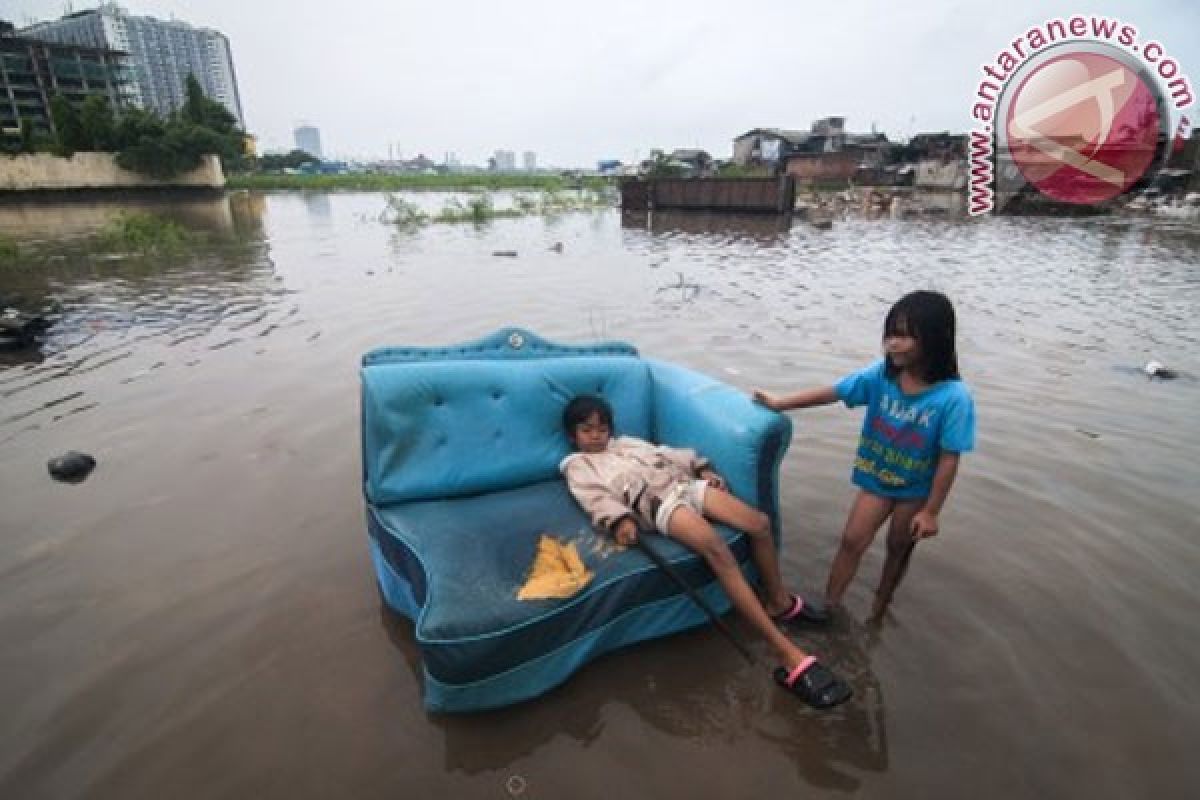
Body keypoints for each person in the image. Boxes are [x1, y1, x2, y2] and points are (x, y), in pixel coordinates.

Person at [559, 394, 852, 709]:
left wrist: (702, 468)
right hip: (658, 503)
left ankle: (778, 601)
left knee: (760, 524)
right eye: (587, 430)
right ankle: (787, 654)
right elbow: (594, 498)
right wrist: (619, 520)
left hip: (684, 485)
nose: (596, 436)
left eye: (602, 428)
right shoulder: (578, 465)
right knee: (718, 551)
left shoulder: (626, 443)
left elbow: (666, 453)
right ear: (572, 435)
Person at [754, 290, 976, 620]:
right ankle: (829, 608)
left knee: (898, 550)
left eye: (904, 336)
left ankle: (879, 608)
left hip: (915, 489)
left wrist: (931, 512)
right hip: (877, 479)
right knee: (851, 540)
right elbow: (834, 391)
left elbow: (949, 457)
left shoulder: (954, 397)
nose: (893, 344)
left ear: (934, 338)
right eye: (890, 333)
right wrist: (781, 402)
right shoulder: (882, 375)